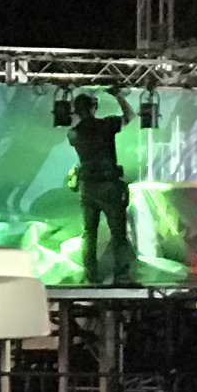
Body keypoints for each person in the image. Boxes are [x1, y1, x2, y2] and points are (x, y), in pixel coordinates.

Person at [69, 90, 132, 285]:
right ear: (94, 107)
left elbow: (74, 128)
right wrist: (118, 95)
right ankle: (121, 276)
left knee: (89, 233)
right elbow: (130, 116)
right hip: (109, 186)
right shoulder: (106, 125)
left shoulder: (73, 134)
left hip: (87, 187)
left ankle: (90, 277)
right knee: (118, 233)